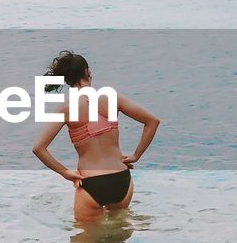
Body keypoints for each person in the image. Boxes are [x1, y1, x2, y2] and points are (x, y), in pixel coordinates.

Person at [31, 50, 160, 225]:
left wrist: (66, 173)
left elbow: (38, 148)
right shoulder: (113, 98)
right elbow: (152, 121)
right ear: (88, 72)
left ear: (67, 80)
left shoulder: (67, 109)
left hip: (91, 181)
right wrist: (136, 156)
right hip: (121, 178)